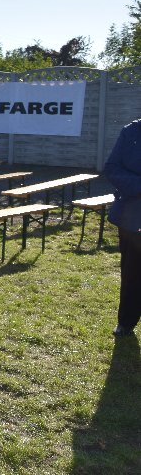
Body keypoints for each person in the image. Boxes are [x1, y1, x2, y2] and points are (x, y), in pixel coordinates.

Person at [103, 119, 141, 337]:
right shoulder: (132, 131)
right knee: (132, 272)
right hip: (133, 216)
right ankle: (126, 321)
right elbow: (112, 168)